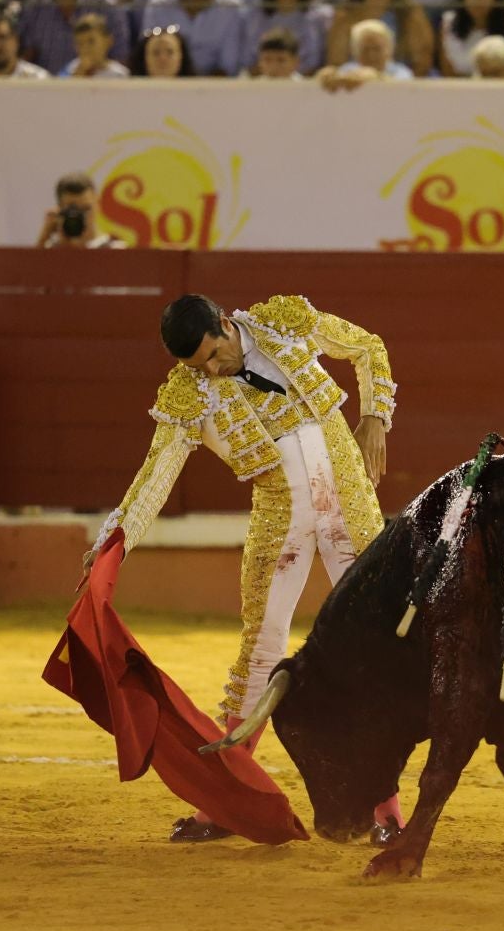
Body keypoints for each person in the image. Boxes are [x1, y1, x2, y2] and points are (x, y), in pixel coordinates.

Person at [95, 292, 401, 844]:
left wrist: (374, 416)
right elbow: (156, 476)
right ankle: (225, 803)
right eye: (199, 366)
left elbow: (368, 348)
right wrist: (115, 540)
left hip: (348, 508)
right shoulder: (190, 394)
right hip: (279, 519)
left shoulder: (286, 322)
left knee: (373, 649)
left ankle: (387, 812)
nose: (213, 370)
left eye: (214, 355)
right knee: (259, 652)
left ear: (225, 324)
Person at [325, 0, 433, 74]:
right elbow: (336, 63)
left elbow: (422, 63)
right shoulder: (345, 17)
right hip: (354, 82)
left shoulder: (411, 15)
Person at [323, 13, 412, 86]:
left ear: (389, 49)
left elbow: (402, 87)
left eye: (377, 49)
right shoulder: (348, 70)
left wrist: (376, 77)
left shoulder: (401, 72)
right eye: (365, 50)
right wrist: (327, 77)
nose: (371, 55)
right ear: (355, 52)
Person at [36, 170, 120, 246]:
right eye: (72, 210)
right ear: (59, 209)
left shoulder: (115, 250)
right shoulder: (49, 250)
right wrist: (44, 237)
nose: (80, 215)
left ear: (97, 204)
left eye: (86, 209)